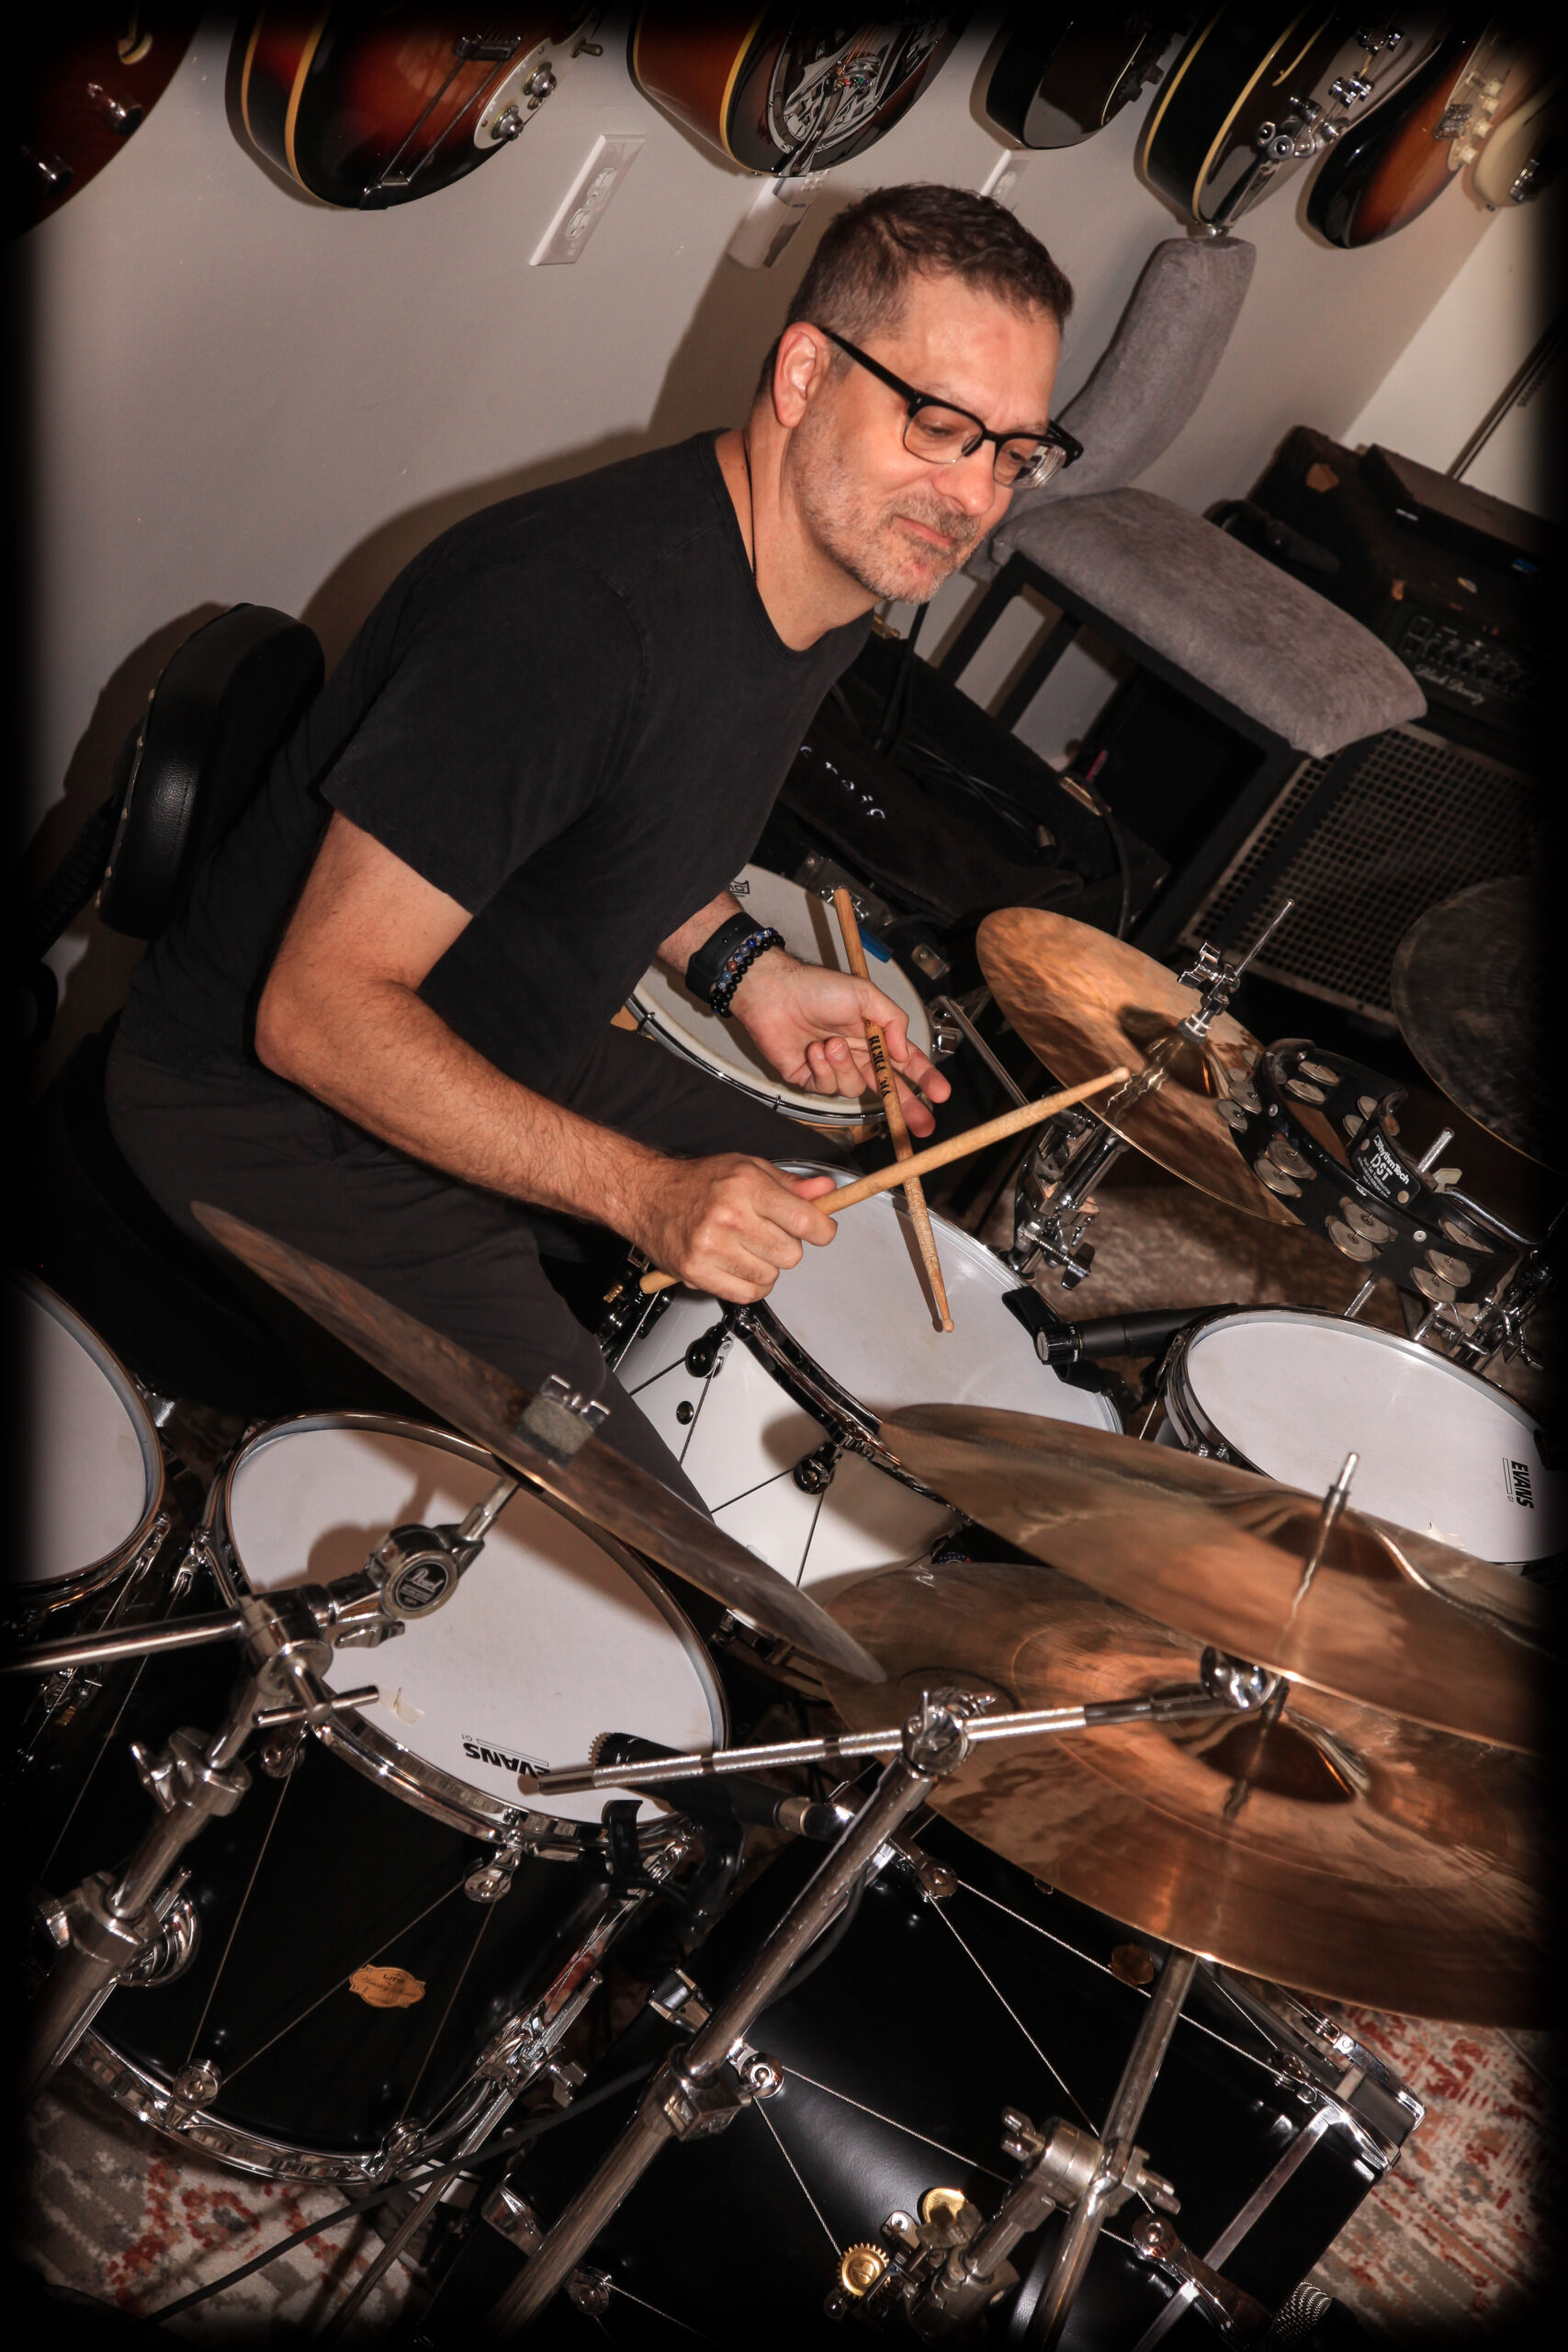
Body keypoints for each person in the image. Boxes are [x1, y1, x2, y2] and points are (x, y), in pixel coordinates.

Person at [106, 184, 1075, 1497]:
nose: (971, 496)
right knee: (637, 1543)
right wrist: (643, 1195)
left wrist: (746, 971)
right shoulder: (571, 620)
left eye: (1015, 452)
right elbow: (315, 1016)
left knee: (845, 1205)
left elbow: (614, 807)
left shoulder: (833, 576)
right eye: (940, 426)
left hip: (510, 1031)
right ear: (805, 374)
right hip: (276, 1120)